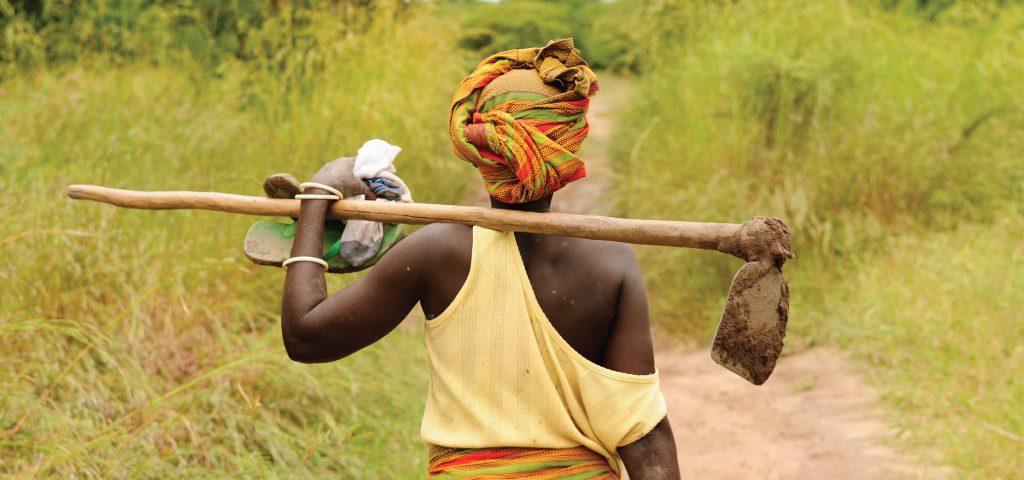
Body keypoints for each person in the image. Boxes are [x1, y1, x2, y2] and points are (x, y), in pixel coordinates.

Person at [279, 39, 680, 479]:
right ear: (567, 152)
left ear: (479, 151)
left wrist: (315, 199)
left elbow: (306, 337)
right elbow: (643, 433)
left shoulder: (435, 252)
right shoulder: (611, 262)